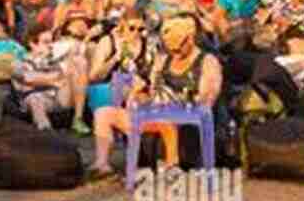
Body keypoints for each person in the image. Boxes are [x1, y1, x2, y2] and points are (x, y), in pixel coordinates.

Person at [88, 15, 222, 182]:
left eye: (178, 46)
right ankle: (102, 165)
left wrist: (180, 103)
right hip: (154, 115)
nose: (175, 52)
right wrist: (138, 95)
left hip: (184, 119)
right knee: (104, 113)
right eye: (170, 47)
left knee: (165, 117)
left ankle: (170, 166)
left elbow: (207, 99)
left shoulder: (207, 61)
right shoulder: (163, 60)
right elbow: (152, 91)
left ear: (190, 39)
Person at [14, 24, 90, 134]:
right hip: (37, 99)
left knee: (80, 61)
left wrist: (60, 74)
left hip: (60, 96)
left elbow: (67, 73)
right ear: (32, 44)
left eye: (51, 42)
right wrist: (56, 78)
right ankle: (45, 130)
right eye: (46, 42)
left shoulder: (53, 60)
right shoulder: (21, 61)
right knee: (35, 98)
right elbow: (28, 79)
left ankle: (78, 118)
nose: (50, 46)